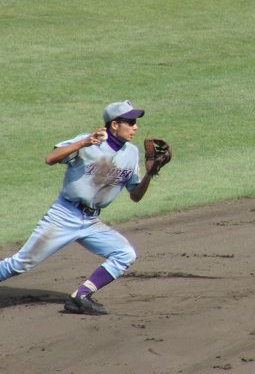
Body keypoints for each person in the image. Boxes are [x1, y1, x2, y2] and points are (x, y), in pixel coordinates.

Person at [0, 100, 155, 315]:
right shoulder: (90, 142)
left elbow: (135, 195)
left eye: (135, 122)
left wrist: (150, 173)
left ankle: (80, 296)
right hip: (64, 215)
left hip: (91, 221)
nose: (135, 126)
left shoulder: (131, 152)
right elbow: (50, 158)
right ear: (114, 125)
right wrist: (83, 143)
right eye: (130, 122)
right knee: (19, 264)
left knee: (125, 254)